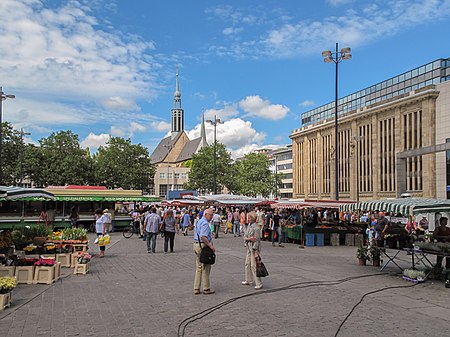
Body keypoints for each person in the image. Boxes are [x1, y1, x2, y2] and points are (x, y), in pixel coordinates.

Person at [193, 208, 215, 295]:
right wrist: (210, 245)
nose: (211, 217)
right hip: (203, 246)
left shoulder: (199, 221)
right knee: (206, 268)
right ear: (205, 214)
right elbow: (203, 236)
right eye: (210, 215)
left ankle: (196, 288)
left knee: (199, 268)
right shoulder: (205, 223)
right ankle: (206, 288)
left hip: (196, 244)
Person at [242, 211, 263, 290]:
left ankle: (258, 283)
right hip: (249, 247)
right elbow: (245, 236)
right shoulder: (249, 226)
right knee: (247, 263)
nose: (248, 219)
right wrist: (249, 239)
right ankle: (248, 279)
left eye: (249, 218)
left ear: (253, 218)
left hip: (254, 249)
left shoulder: (256, 228)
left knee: (253, 266)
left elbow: (257, 240)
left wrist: (256, 251)